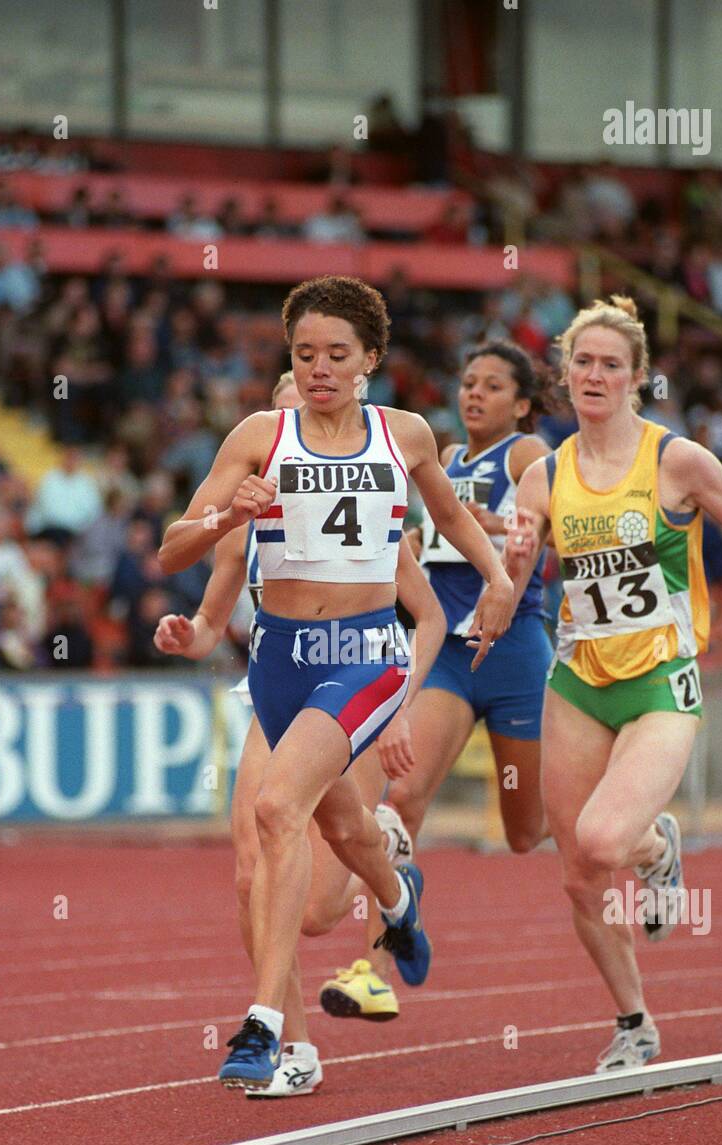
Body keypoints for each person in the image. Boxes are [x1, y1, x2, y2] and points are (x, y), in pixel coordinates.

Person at [159, 274, 513, 1090]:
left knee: (276, 811)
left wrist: (495, 577)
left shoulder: (406, 437)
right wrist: (228, 516)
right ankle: (396, 899)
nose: (319, 368)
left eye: (337, 355)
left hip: (364, 655)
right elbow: (172, 547)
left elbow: (453, 518)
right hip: (279, 661)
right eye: (304, 353)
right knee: (346, 827)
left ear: (372, 361)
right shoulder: (257, 436)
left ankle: (267, 1029)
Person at [506, 296, 722, 1073]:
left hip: (663, 680)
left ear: (637, 378)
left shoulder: (677, 461)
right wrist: (511, 557)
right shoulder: (545, 473)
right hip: (579, 683)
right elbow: (510, 591)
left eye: (611, 365)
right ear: (565, 374)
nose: (595, 376)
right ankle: (634, 1022)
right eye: (583, 363)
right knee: (577, 870)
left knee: (604, 839)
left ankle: (659, 844)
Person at [389, 342, 552, 855]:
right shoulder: (448, 458)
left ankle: (642, 832)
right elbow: (433, 533)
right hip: (449, 655)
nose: (474, 394)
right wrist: (409, 543)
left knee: (524, 833)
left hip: (513, 652)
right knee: (402, 799)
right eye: (468, 384)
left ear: (522, 406)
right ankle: (394, 923)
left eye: (492, 386)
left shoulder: (527, 453)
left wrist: (499, 524)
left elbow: (553, 524)